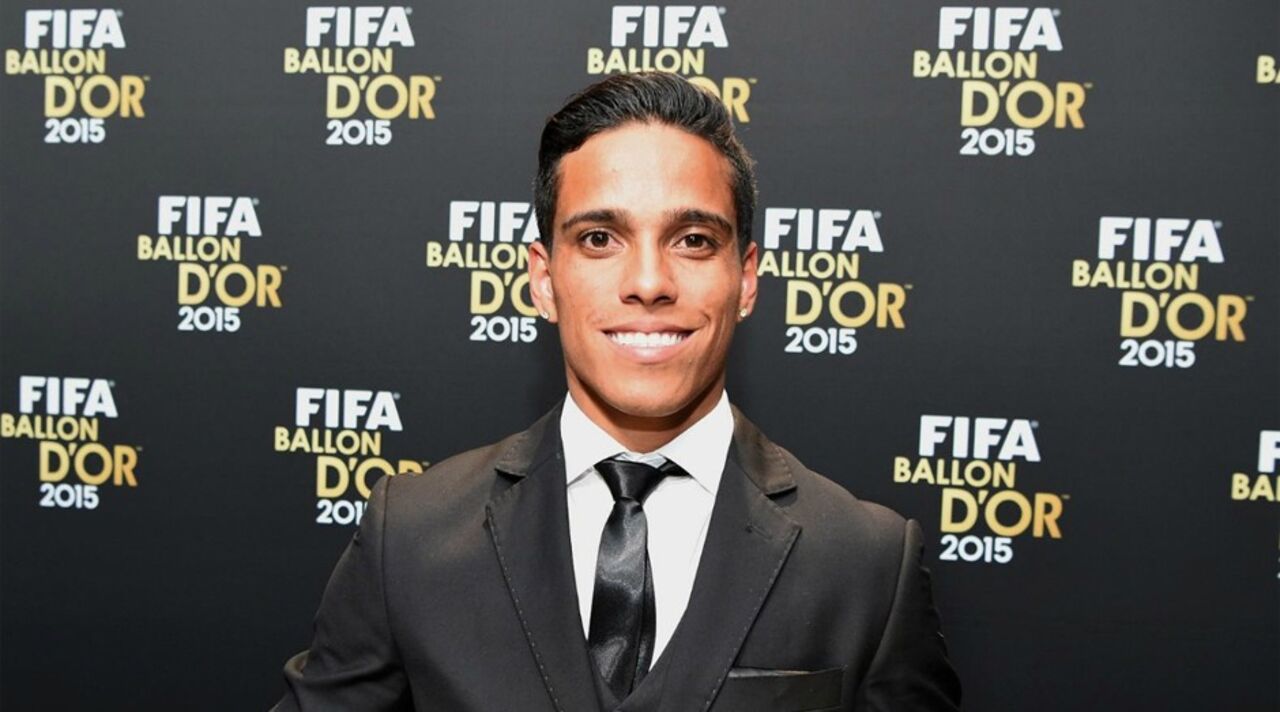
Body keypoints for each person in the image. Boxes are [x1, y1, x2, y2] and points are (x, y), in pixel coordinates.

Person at [274, 72, 962, 711]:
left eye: (694, 240)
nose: (649, 282)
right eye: (600, 238)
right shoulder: (410, 538)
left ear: (747, 279)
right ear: (544, 279)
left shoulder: (868, 564)